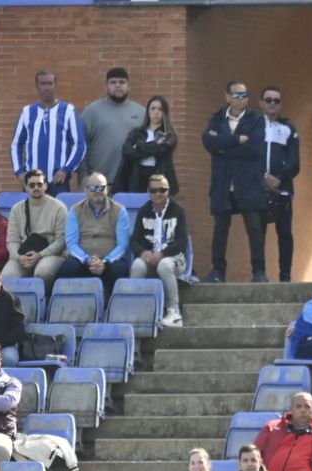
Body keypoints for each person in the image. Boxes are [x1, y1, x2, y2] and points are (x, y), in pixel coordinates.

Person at [202, 81, 268, 284]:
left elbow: (254, 148)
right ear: (227, 97)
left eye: (245, 94)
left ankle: (259, 271)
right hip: (223, 183)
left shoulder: (256, 119)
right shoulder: (217, 118)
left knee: (255, 228)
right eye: (237, 95)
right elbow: (208, 142)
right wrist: (237, 139)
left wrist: (223, 146)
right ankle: (218, 271)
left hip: (248, 184)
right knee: (220, 229)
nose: (242, 98)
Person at [128, 174, 190, 329]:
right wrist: (143, 253)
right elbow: (134, 240)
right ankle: (135, 309)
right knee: (137, 265)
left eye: (162, 190)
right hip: (150, 257)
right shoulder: (143, 211)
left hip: (174, 258)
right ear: (148, 192)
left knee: (164, 265)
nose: (157, 194)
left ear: (168, 191)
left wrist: (163, 254)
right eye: (153, 190)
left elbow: (183, 241)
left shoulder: (178, 210)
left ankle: (174, 312)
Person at [57, 172, 131, 294]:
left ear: (107, 189)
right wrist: (88, 260)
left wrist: (105, 262)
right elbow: (71, 244)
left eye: (101, 187)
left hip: (110, 261)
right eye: (93, 187)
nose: (97, 191)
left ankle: (112, 306)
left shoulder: (119, 211)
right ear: (86, 190)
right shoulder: (75, 210)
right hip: (83, 260)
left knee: (120, 269)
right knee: (67, 267)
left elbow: (123, 245)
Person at [12, 69, 85, 191]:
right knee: (32, 211)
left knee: (59, 210)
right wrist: (19, 171)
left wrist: (66, 170)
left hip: (58, 181)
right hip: (33, 182)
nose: (47, 88)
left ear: (55, 86)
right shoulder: (27, 112)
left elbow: (80, 145)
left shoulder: (68, 111)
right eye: (43, 84)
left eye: (50, 83)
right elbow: (16, 145)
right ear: (37, 86)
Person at [2, 169, 69, 291]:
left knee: (42, 273)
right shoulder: (17, 209)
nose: (36, 188)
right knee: (7, 276)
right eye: (32, 185)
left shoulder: (59, 208)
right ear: (26, 187)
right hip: (24, 254)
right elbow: (12, 240)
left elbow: (61, 241)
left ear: (46, 186)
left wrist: (40, 255)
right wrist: (17, 257)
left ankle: (43, 304)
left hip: (50, 253)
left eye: (39, 184)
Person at [259, 87, 301, 282]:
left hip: (282, 191)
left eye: (276, 101)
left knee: (285, 234)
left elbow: (294, 162)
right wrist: (262, 177)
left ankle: (285, 275)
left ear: (281, 104)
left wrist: (279, 179)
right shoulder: (253, 126)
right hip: (258, 190)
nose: (272, 104)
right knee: (257, 234)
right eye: (268, 100)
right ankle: (258, 273)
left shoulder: (289, 128)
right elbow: (247, 158)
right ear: (261, 103)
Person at [118, 93, 179, 195]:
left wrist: (138, 146)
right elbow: (127, 152)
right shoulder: (136, 133)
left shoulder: (169, 134)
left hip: (159, 177)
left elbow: (161, 150)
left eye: (160, 109)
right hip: (137, 176)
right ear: (148, 111)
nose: (156, 112)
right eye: (153, 108)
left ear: (165, 112)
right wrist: (153, 146)